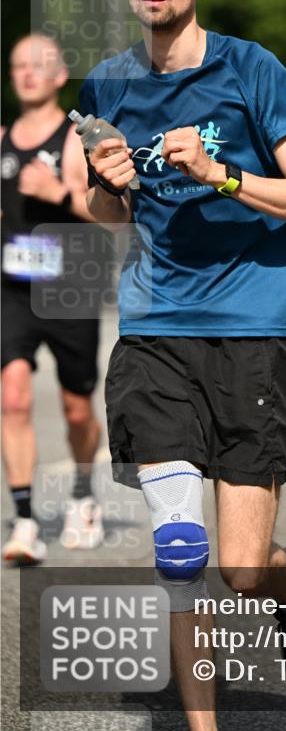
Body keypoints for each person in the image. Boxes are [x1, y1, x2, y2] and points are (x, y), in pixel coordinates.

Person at [80, 0, 286, 729]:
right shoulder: (108, 84)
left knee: (236, 565)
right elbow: (106, 215)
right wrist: (107, 186)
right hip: (154, 332)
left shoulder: (252, 70)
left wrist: (222, 176)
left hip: (252, 335)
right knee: (180, 553)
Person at [1, 34, 103, 564]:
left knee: (77, 407)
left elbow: (108, 212)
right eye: (18, 64)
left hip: (70, 287)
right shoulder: (2, 139)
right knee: (12, 395)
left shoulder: (75, 136)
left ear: (61, 75)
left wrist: (59, 193)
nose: (27, 73)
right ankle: (24, 518)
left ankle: (84, 496)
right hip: (14, 288)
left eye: (38, 65)